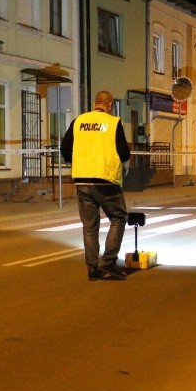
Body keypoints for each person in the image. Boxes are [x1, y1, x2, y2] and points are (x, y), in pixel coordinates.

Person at [61, 91, 131, 281]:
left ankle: (92, 268)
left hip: (82, 180)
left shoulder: (78, 121)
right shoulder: (112, 122)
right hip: (105, 179)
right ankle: (108, 262)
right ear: (109, 105)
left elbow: (64, 148)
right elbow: (124, 152)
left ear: (95, 104)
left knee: (89, 227)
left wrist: (75, 160)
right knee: (118, 216)